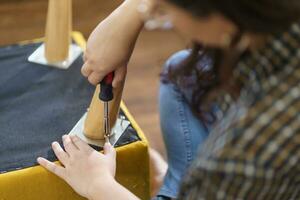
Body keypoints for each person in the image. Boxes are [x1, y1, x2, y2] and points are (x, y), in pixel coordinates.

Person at [37, 0, 300, 199]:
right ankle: (173, 181)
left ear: (222, 21)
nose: (166, 20)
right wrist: (130, 16)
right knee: (181, 72)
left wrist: (99, 186)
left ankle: (173, 189)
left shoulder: (238, 158)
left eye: (162, 13)